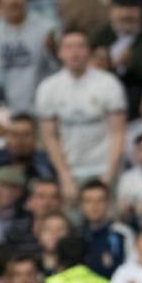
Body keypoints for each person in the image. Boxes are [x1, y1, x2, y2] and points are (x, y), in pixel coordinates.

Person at [36, 30, 127, 200]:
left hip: (103, 167)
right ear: (60, 52)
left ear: (89, 52)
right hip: (71, 169)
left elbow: (118, 132)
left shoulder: (108, 84)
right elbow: (50, 136)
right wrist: (64, 175)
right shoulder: (48, 88)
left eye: (80, 47)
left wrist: (109, 174)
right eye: (69, 47)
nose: (74, 52)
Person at [80, 179, 133, 279]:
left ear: (108, 203)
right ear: (82, 205)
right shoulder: (76, 235)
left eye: (99, 200)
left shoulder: (122, 233)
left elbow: (132, 269)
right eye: (88, 201)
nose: (94, 206)